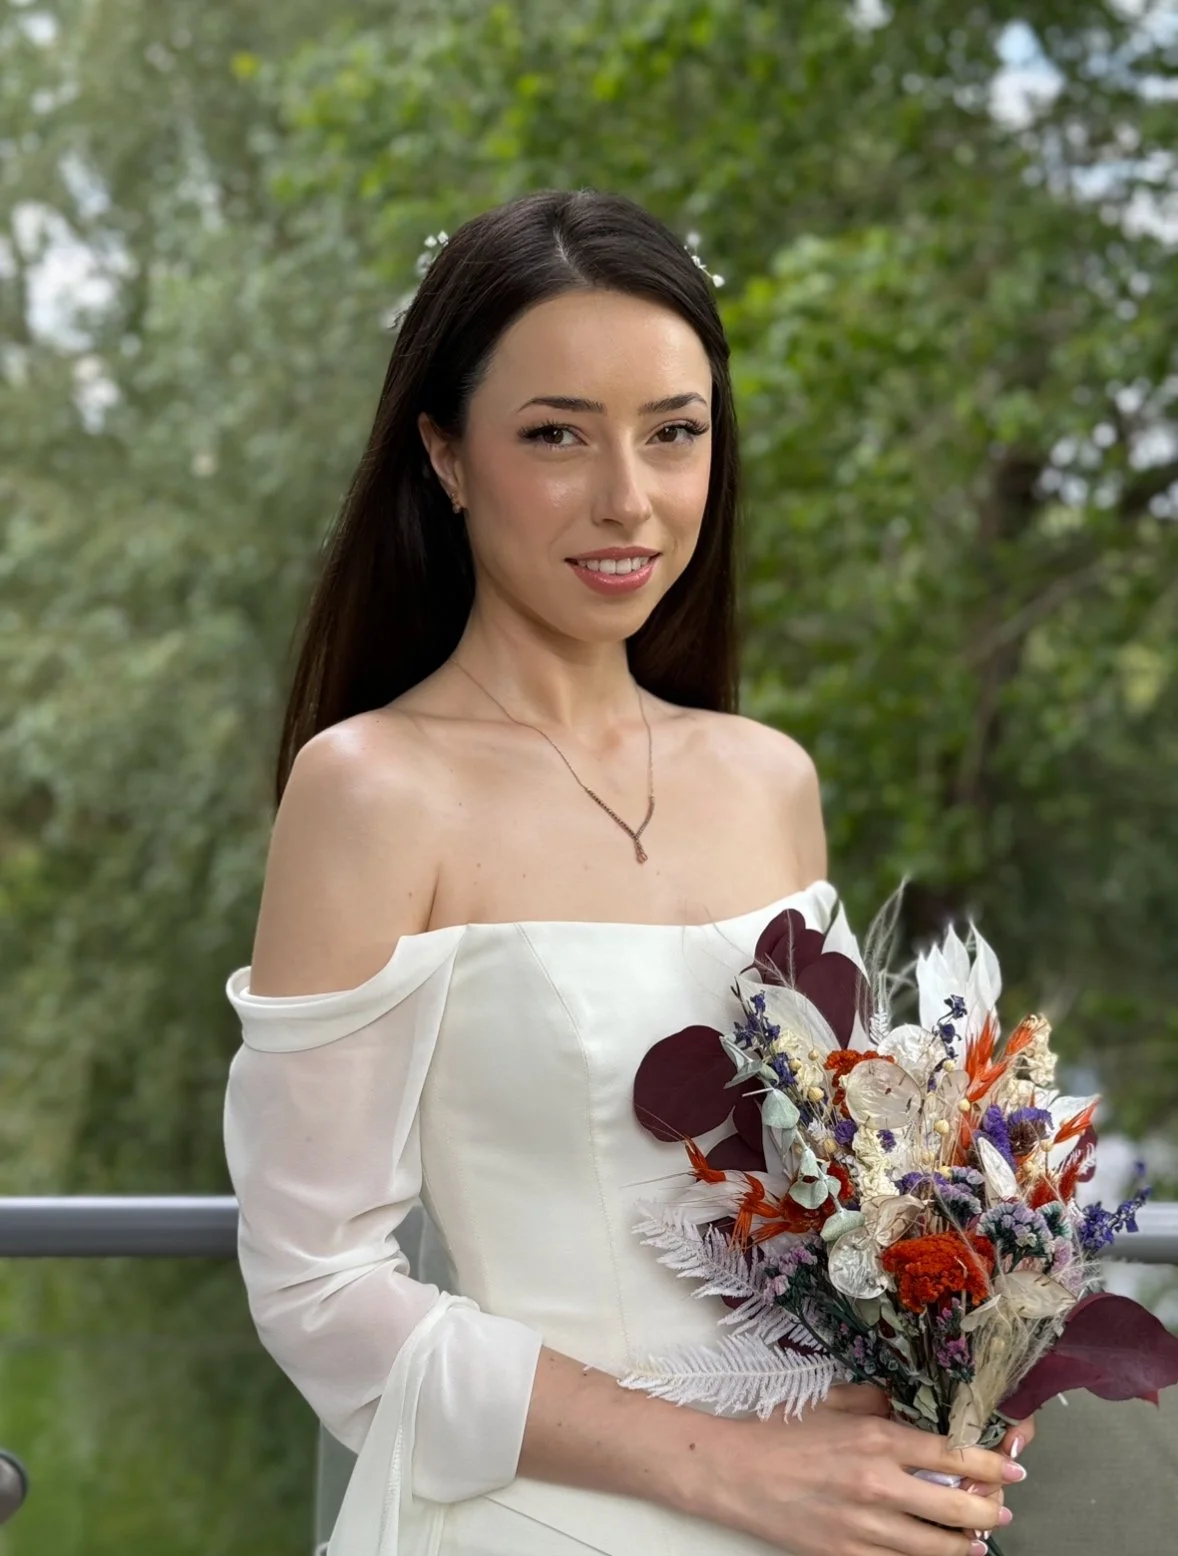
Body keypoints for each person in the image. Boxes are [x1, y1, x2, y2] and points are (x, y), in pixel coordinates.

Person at [222, 189, 1031, 1556]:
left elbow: (834, 1192)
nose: (627, 500)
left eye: (673, 434)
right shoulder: (372, 788)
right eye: (556, 436)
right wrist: (717, 1470)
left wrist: (954, 1348)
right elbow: (313, 1285)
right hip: (542, 1516)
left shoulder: (766, 777)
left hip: (837, 1510)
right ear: (445, 452)